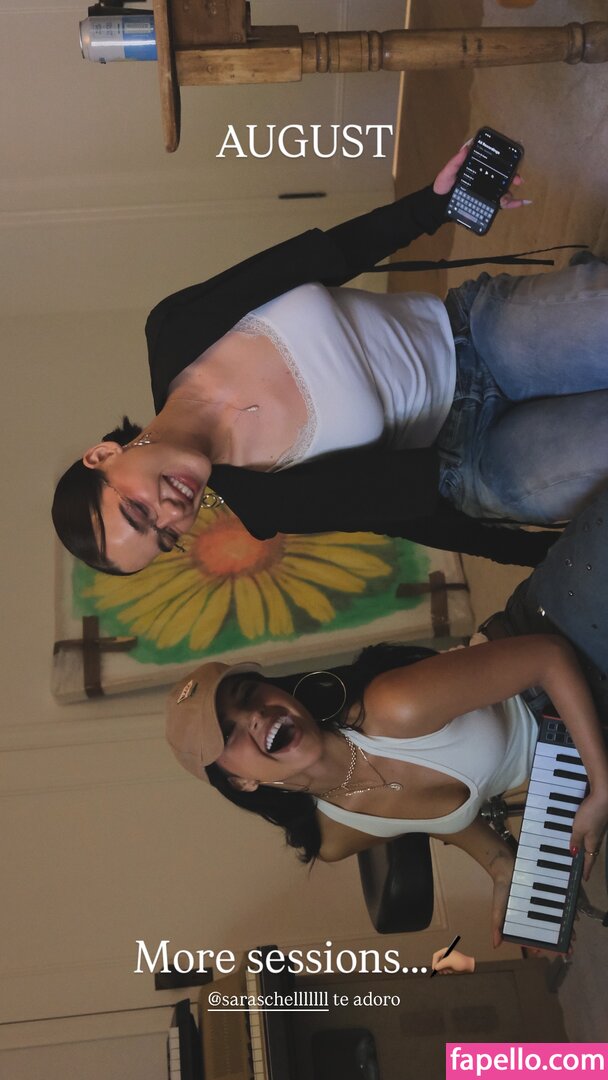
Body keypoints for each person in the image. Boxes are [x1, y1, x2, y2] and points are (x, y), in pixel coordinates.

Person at [52, 143, 608, 575]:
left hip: (470, 335)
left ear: (103, 455)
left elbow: (327, 254)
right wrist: (536, 556)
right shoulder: (266, 505)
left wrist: (433, 205)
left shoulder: (175, 329)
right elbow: (404, 517)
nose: (174, 515)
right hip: (472, 460)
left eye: (139, 512)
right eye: (167, 538)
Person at [165, 485, 608, 950]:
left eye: (246, 694)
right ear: (240, 782)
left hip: (566, 626)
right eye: (229, 733)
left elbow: (548, 657)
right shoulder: (336, 835)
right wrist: (501, 866)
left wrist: (601, 787)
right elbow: (436, 816)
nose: (254, 715)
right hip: (566, 734)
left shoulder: (392, 705)